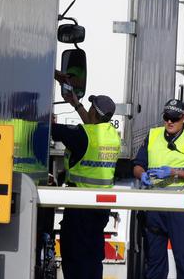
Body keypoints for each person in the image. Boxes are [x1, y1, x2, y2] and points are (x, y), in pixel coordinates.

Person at [51, 76, 121, 279]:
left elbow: (57, 130)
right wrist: (76, 104)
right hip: (100, 207)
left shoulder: (82, 135)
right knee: (92, 256)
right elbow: (91, 129)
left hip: (80, 205)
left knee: (74, 257)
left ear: (94, 112)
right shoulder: (111, 134)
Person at [133, 99, 184, 279]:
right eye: (166, 117)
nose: (169, 122)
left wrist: (175, 172)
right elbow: (138, 165)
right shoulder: (153, 135)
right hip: (155, 208)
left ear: (183, 118)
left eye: (174, 118)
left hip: (181, 206)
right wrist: (142, 175)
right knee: (154, 263)